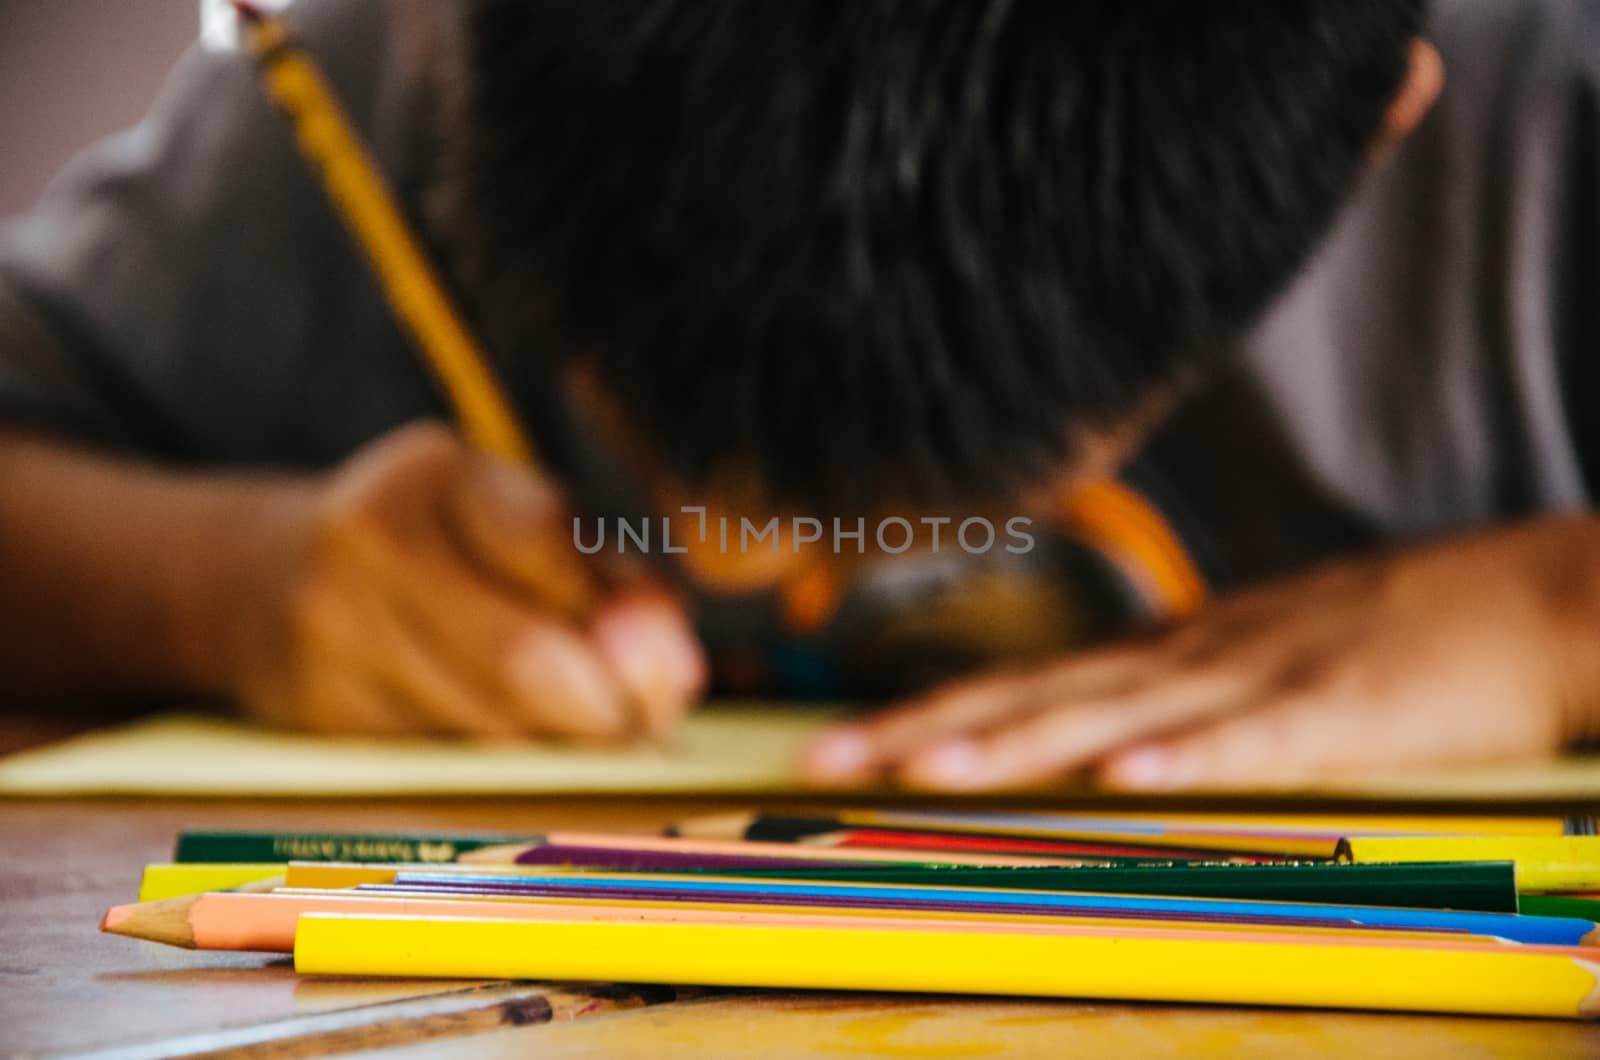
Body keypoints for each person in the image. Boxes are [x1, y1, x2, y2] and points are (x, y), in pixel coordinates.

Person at [0, 0, 1593, 790]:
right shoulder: (368, 82)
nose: (737, 562)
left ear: (1376, 127)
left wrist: (1562, 617)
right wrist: (225, 586)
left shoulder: (1557, 111)